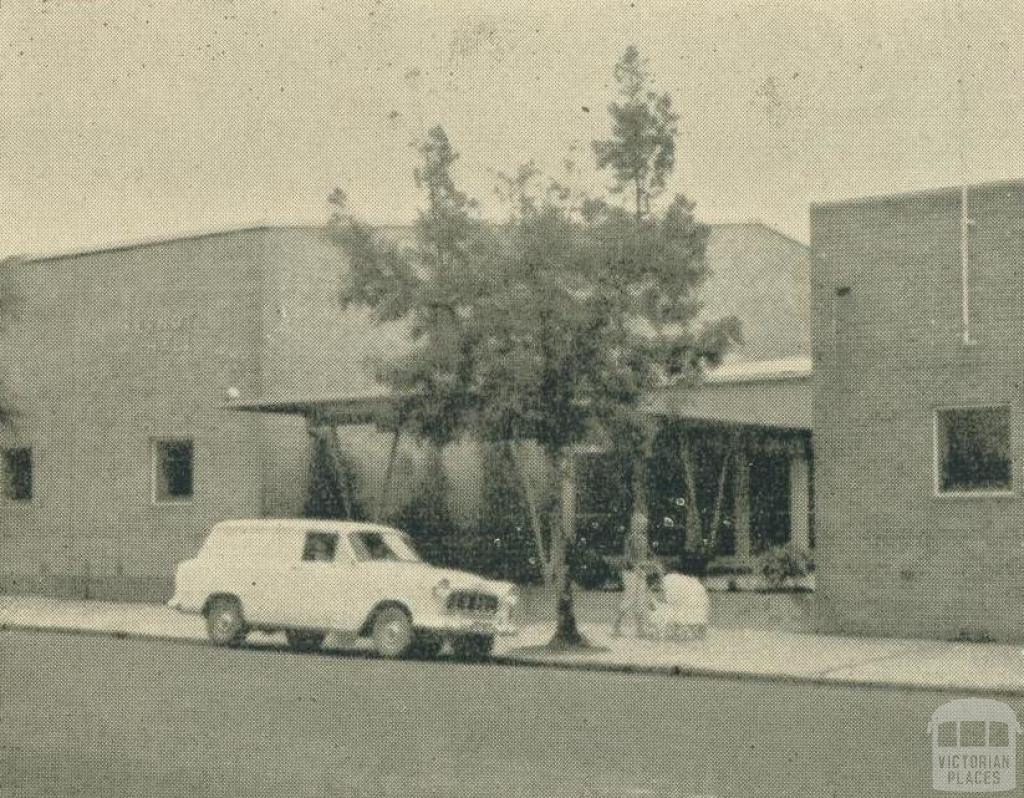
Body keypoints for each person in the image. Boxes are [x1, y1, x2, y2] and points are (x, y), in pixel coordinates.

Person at [611, 510, 652, 638]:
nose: (643, 527)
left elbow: (646, 555)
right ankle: (616, 627)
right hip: (631, 572)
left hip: (640, 571)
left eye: (644, 525)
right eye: (641, 524)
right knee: (629, 599)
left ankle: (640, 630)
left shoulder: (643, 539)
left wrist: (648, 565)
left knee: (640, 600)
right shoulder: (631, 538)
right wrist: (636, 568)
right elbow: (627, 557)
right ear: (635, 524)